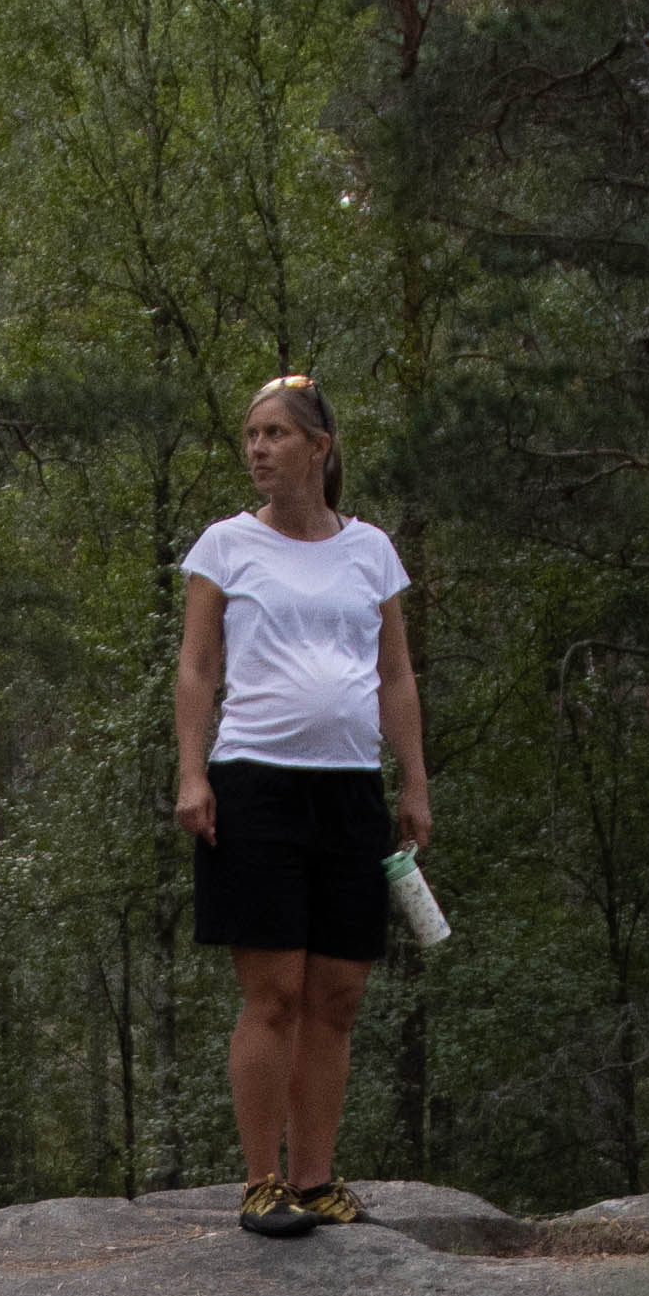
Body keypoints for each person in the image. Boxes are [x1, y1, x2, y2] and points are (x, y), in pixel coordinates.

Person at [172, 372, 424, 1240]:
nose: (258, 449)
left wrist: (414, 783)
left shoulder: (370, 552)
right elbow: (197, 668)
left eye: (275, 434)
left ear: (319, 447)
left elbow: (394, 675)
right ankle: (261, 1180)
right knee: (273, 990)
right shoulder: (226, 547)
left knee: (339, 992)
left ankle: (316, 1179)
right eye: (251, 436)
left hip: (350, 790)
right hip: (254, 783)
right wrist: (191, 773)